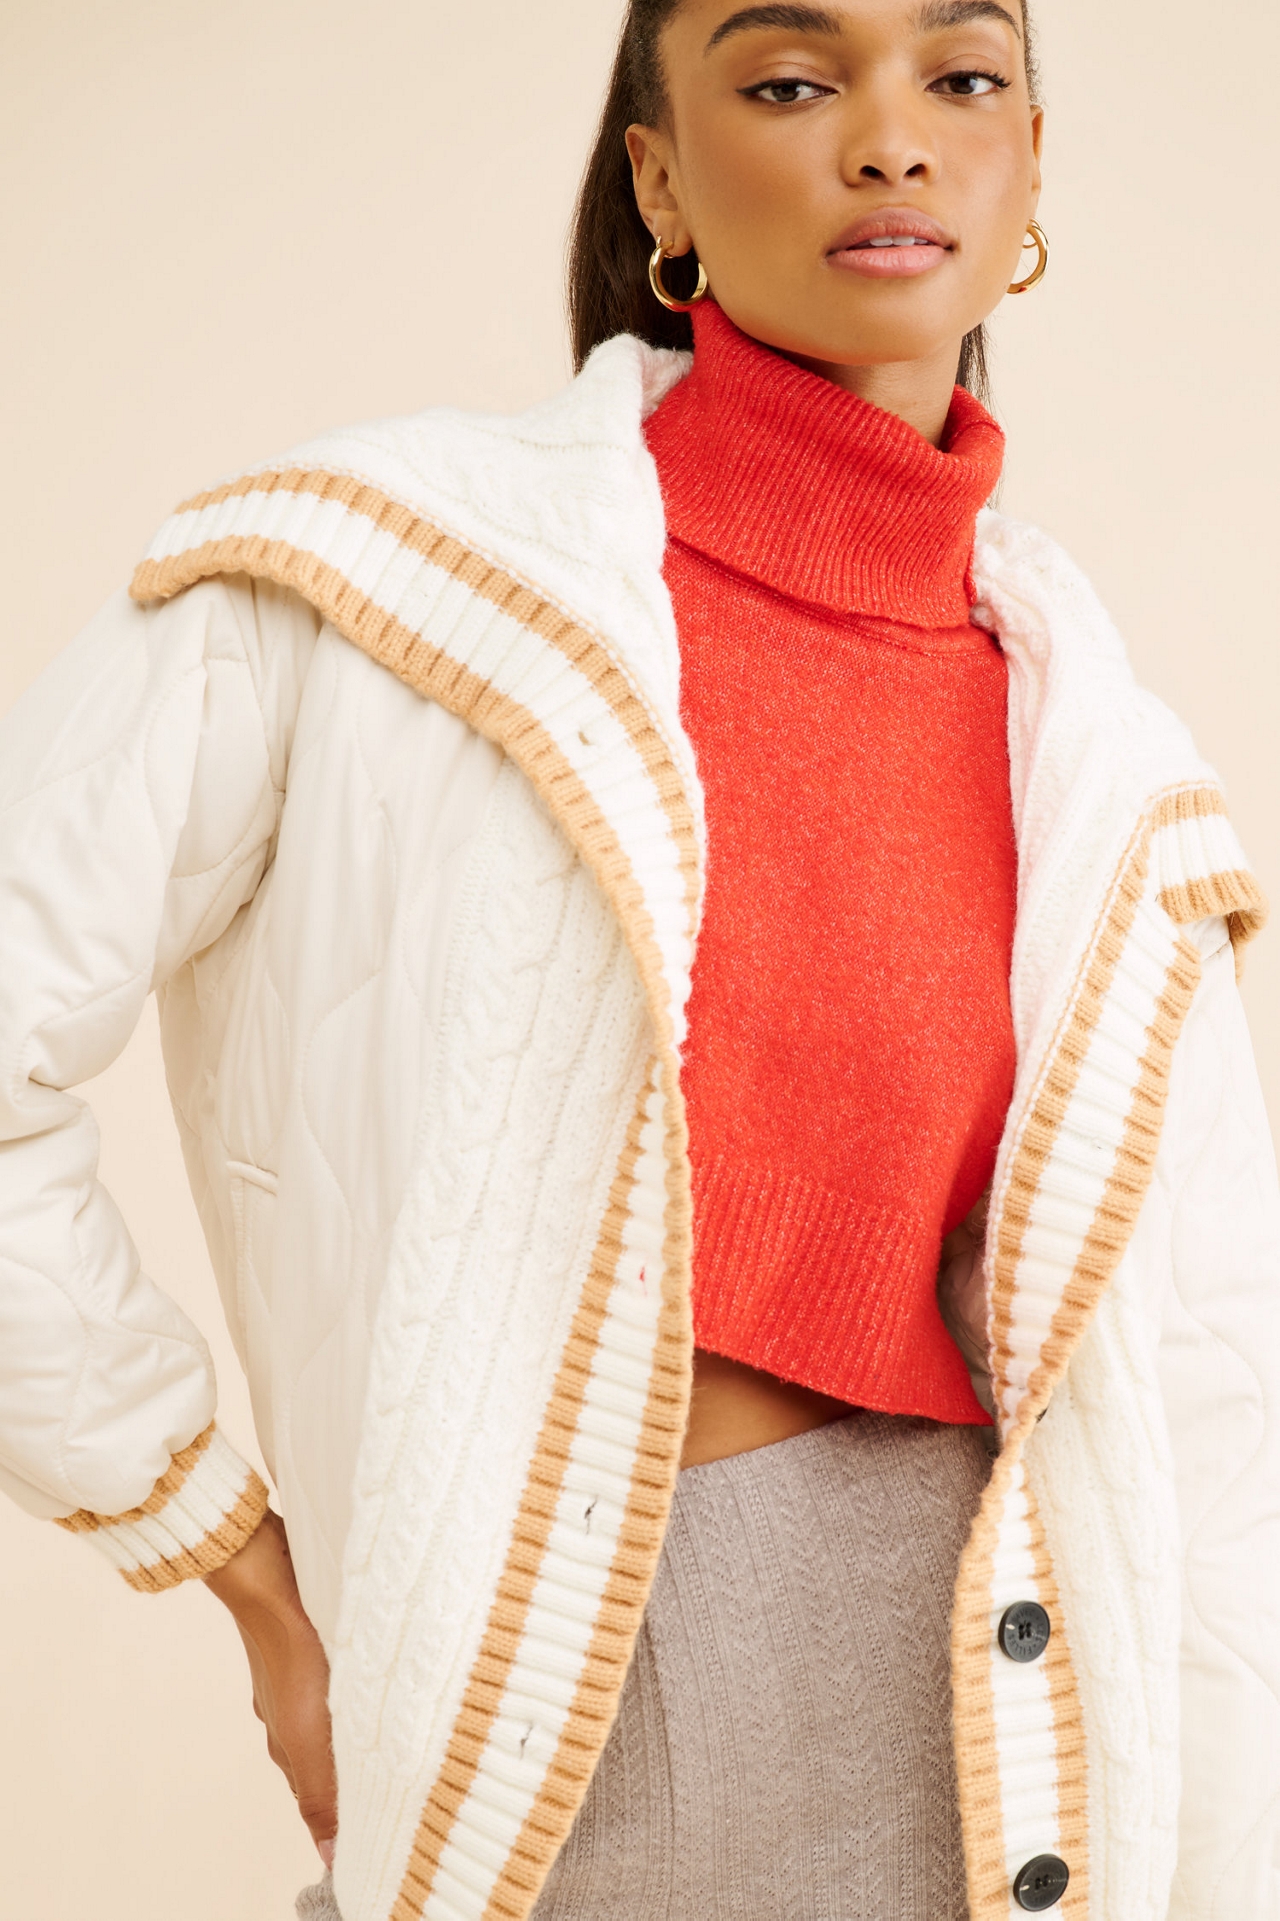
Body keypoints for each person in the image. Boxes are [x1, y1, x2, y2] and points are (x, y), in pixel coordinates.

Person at [2, 0, 1276, 1916]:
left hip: (1020, 1738)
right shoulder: (387, 574)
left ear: (1030, 169)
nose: (892, 138)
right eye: (791, 81)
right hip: (595, 1708)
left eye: (963, 76)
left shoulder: (1104, 759)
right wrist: (231, 1556)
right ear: (659, 181)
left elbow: (1213, 1416)